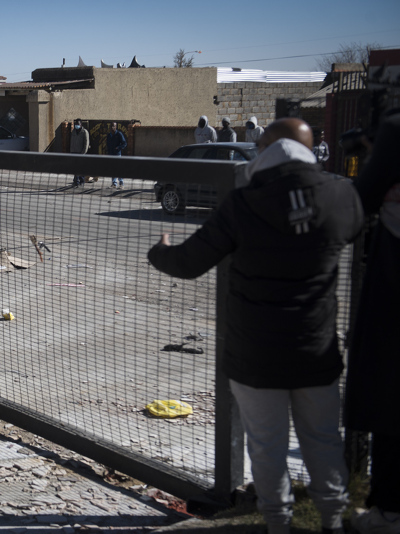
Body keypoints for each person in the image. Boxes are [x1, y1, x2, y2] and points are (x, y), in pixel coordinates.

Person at [147, 118, 362, 534]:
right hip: (316, 348)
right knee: (323, 440)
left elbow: (189, 263)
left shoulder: (243, 203)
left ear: (265, 151)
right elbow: (352, 231)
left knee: (266, 447)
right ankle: (334, 521)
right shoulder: (340, 195)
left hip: (255, 354)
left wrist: (160, 251)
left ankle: (278, 524)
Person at [345, 110, 400, 534]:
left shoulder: (395, 133)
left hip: (393, 285)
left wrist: (377, 155)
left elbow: (357, 205)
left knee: (389, 394)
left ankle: (390, 511)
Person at [106, 122, 127, 188]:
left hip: (117, 154)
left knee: (118, 169)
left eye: (113, 126)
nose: (112, 127)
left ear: (116, 127)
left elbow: (124, 143)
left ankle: (121, 183)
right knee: (113, 169)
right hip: (111, 154)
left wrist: (118, 148)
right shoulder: (109, 135)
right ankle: (114, 183)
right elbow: (107, 144)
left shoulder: (119, 134)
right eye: (111, 126)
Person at [70, 118, 90, 187]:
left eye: (78, 124)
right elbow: (72, 141)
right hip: (74, 152)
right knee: (75, 168)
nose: (77, 125)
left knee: (80, 168)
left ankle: (82, 181)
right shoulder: (73, 131)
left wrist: (83, 152)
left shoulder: (84, 132)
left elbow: (86, 143)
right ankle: (76, 181)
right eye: (76, 124)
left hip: (81, 153)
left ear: (81, 124)